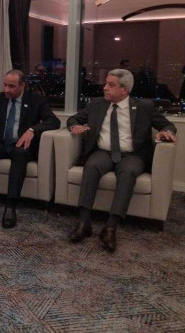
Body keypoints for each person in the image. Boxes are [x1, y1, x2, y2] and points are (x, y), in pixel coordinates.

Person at [67, 69, 177, 252]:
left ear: (124, 90)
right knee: (91, 166)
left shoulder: (144, 107)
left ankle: (110, 227)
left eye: (111, 85)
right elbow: (74, 119)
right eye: (106, 83)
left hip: (132, 155)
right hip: (103, 152)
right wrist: (75, 126)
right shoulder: (97, 104)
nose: (105, 88)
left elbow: (167, 125)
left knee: (128, 172)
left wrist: (167, 132)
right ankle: (83, 222)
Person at [0, 69, 60, 228]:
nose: (6, 89)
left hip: (21, 145)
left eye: (11, 86)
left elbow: (54, 121)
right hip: (1, 143)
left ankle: (10, 206)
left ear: (22, 85)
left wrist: (33, 130)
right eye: (5, 85)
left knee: (20, 155)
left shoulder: (36, 100)